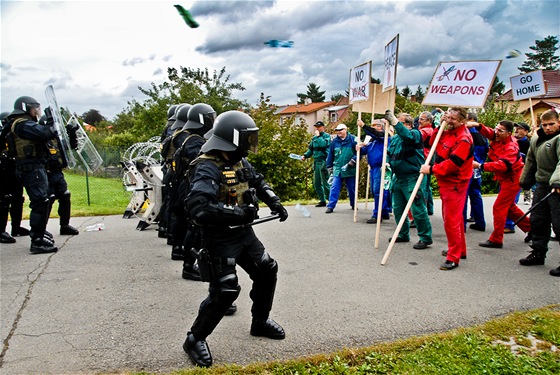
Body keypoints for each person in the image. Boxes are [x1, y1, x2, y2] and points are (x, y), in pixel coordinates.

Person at [182, 111, 289, 367]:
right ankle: (194, 339)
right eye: (247, 139)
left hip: (243, 234)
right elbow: (198, 207)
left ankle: (260, 321)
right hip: (219, 237)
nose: (250, 145)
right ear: (232, 139)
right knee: (226, 289)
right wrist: (239, 212)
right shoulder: (207, 166)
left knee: (267, 270)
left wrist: (273, 200)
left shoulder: (239, 161)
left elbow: (258, 181)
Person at [420, 107, 473, 270]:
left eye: (453, 119)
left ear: (463, 121)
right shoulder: (447, 130)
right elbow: (431, 142)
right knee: (453, 219)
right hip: (446, 182)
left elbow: (453, 164)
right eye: (448, 117)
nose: (449, 121)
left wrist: (432, 169)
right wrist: (439, 126)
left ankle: (453, 257)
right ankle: (460, 249)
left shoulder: (464, 139)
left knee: (451, 221)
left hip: (455, 183)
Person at [7, 96, 58, 254]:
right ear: (25, 107)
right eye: (34, 108)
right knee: (40, 202)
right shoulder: (22, 123)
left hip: (34, 167)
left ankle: (40, 235)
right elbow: (43, 133)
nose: (37, 111)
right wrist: (50, 122)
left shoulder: (23, 122)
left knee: (43, 200)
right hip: (30, 168)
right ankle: (37, 241)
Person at [470, 120, 531, 249]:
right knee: (509, 207)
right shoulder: (500, 137)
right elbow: (490, 133)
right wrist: (477, 125)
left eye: (500, 130)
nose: (496, 132)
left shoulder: (511, 147)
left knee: (499, 207)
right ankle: (533, 229)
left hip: (512, 179)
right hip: (506, 178)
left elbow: (502, 165)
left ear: (509, 133)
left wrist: (480, 166)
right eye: (496, 129)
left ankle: (496, 239)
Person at [518, 109, 560, 277]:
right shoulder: (536, 139)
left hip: (557, 186)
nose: (548, 128)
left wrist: (557, 181)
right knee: (538, 220)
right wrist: (526, 180)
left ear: (558, 123)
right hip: (542, 185)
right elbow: (530, 161)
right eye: (545, 125)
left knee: (559, 224)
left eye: (551, 124)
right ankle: (538, 252)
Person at [385, 111, 432, 249]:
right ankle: (403, 234)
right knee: (398, 209)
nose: (397, 125)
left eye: (400, 122)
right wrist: (387, 164)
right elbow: (389, 154)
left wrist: (394, 122)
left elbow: (407, 136)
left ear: (409, 124)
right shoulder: (394, 139)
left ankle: (425, 237)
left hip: (413, 177)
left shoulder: (415, 134)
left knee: (417, 209)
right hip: (398, 178)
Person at [39, 112, 80, 236]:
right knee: (48, 199)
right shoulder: (40, 141)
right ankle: (42, 228)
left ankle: (64, 225)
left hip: (58, 173)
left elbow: (71, 146)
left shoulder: (56, 140)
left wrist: (72, 133)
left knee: (65, 196)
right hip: (47, 174)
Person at [0, 111, 30, 243]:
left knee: (18, 198)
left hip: (14, 170)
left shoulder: (14, 135)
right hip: (3, 172)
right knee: (4, 200)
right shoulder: (2, 135)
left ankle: (16, 228)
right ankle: (1, 231)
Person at [357, 119, 391, 223]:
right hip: (373, 168)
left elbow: (376, 134)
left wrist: (364, 126)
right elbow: (365, 150)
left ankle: (377, 214)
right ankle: (384, 211)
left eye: (375, 125)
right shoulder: (372, 140)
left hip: (381, 168)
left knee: (378, 192)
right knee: (375, 190)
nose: (373, 127)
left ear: (381, 127)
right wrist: (359, 147)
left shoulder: (385, 137)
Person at [504, 121, 532, 233]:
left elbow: (529, 159)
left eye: (520, 128)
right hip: (508, 174)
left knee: (510, 202)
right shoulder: (512, 141)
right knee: (507, 202)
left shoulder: (527, 144)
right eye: (516, 128)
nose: (517, 130)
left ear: (525, 132)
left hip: (519, 174)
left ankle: (510, 224)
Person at [325, 124, 357, 213]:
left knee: (351, 188)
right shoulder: (334, 142)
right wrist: (329, 166)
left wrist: (353, 160)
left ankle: (354, 204)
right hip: (338, 168)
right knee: (334, 187)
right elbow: (330, 154)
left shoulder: (353, 140)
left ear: (345, 130)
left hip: (349, 168)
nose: (338, 132)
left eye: (340, 130)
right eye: (337, 130)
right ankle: (331, 206)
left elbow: (359, 152)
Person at [464, 113, 488, 232]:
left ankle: (461, 225)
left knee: (463, 196)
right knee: (476, 195)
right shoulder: (483, 135)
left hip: (467, 167)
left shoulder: (466, 133)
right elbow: (487, 151)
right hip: (478, 168)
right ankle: (480, 222)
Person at [302, 121, 331, 207]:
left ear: (323, 127)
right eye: (316, 127)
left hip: (324, 161)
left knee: (325, 182)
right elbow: (311, 149)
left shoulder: (327, 136)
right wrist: (305, 156)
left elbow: (323, 144)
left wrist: (318, 136)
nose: (317, 128)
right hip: (316, 161)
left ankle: (331, 200)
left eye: (319, 127)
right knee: (317, 183)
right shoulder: (314, 138)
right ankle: (322, 200)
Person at [418, 111, 435, 216]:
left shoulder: (426, 131)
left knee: (422, 186)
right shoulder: (426, 130)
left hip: (425, 158)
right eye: (420, 118)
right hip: (428, 158)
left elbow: (414, 138)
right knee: (427, 186)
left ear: (429, 121)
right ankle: (429, 208)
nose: (419, 121)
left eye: (422, 119)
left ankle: (422, 212)